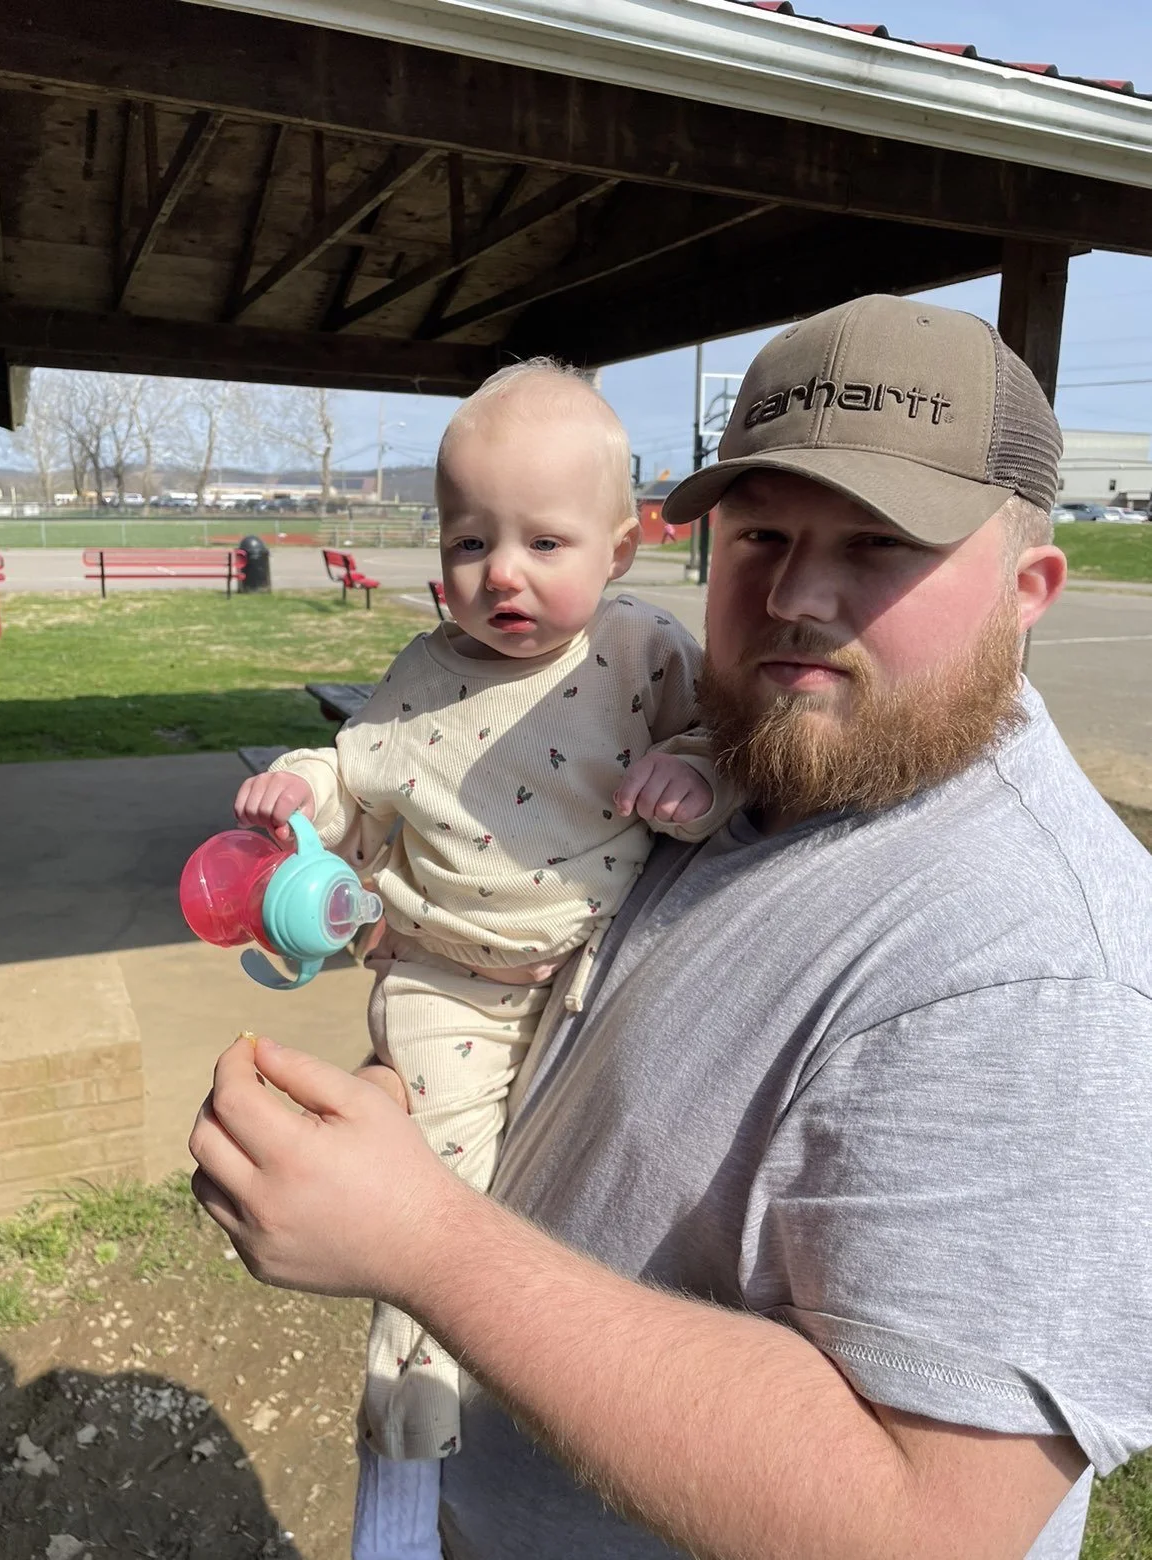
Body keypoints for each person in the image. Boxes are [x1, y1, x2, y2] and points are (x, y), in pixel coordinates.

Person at [191, 294, 1152, 1560]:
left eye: (877, 543)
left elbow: (924, 1522)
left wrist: (422, 1237)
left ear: (1027, 589)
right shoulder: (756, 746)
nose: (800, 594)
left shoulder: (1031, 971)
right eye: (760, 532)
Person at [232, 361, 736, 1552]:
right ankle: (405, 1466)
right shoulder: (419, 678)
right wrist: (289, 793)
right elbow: (347, 780)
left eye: (544, 542)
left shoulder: (645, 654)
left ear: (619, 550)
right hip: (448, 983)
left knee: (602, 1200)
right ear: (439, 552)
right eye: (471, 541)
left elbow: (726, 747)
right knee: (438, 1202)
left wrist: (700, 771)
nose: (501, 572)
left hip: (598, 973)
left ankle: (589, 1412)